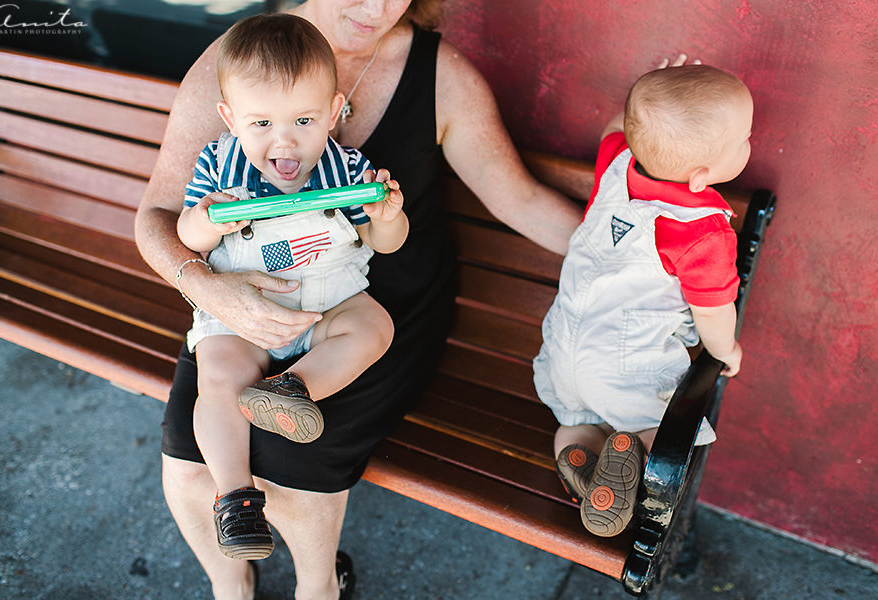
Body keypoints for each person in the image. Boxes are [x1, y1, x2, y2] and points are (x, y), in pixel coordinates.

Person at [135, 1, 583, 598]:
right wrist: (204, 282)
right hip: (241, 294)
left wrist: (627, 257)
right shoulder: (236, 60)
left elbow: (520, 200)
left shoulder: (436, 80)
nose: (376, 7)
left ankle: (318, 586)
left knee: (296, 458)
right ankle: (231, 581)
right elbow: (162, 216)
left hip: (369, 301)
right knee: (189, 459)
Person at [176, 14, 408, 562]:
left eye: (304, 120)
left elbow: (389, 242)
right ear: (231, 119)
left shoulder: (347, 169)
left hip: (328, 301)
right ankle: (235, 498)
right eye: (260, 124)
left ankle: (292, 389)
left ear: (332, 111)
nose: (284, 141)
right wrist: (213, 220)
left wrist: (387, 213)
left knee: (375, 326)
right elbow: (187, 234)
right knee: (219, 376)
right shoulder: (219, 164)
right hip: (245, 309)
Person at [533, 63, 752, 538]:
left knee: (574, 423)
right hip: (625, 363)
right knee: (661, 429)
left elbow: (619, 127)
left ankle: (585, 466)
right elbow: (713, 307)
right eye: (744, 141)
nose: (748, 146)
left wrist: (651, 99)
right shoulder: (701, 231)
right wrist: (724, 350)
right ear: (700, 179)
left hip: (564, 351)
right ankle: (635, 452)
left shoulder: (616, 161)